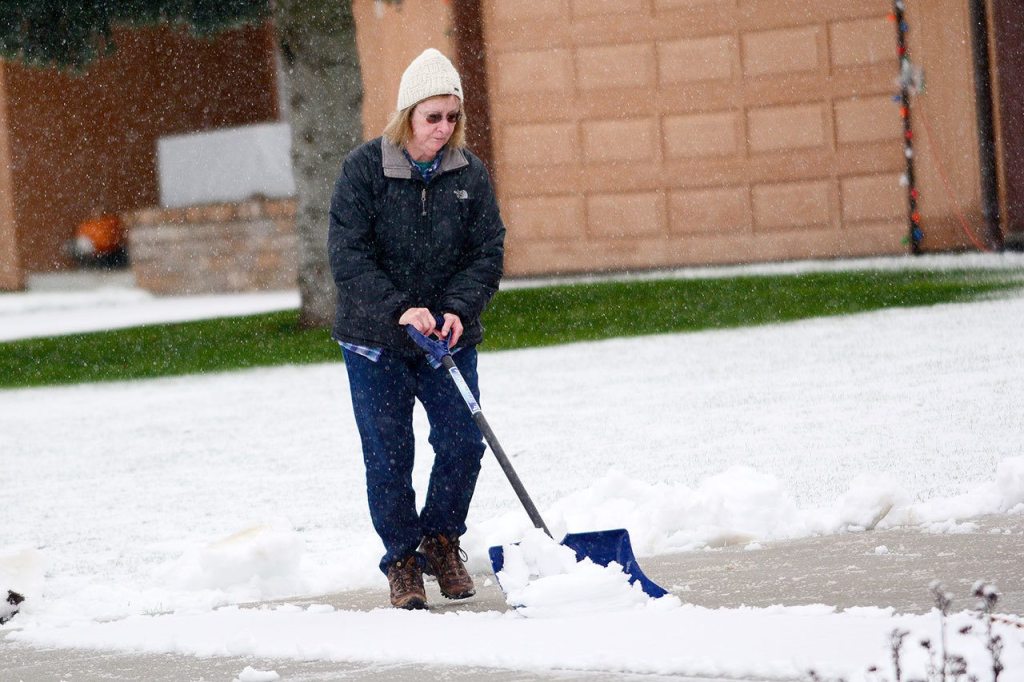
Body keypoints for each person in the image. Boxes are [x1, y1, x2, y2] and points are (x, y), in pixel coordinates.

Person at [327, 48, 506, 610]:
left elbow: (487, 251)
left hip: (445, 340)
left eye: (452, 117)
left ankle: (441, 538)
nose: (444, 128)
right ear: (408, 115)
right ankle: (402, 560)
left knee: (462, 442)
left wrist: (457, 307)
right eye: (433, 117)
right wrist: (400, 307)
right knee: (388, 453)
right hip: (375, 342)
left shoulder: (468, 174)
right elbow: (348, 256)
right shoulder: (364, 170)